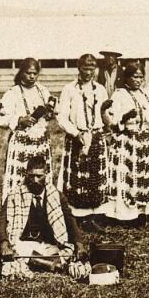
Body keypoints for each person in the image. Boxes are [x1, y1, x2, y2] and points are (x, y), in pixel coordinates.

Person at [0, 156, 88, 276]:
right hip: (25, 243)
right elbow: (1, 221)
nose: (35, 180)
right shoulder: (15, 195)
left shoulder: (56, 195)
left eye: (39, 176)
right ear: (26, 175)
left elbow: (70, 220)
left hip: (49, 244)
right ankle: (53, 265)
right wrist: (3, 243)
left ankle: (41, 262)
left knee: (66, 251)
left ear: (46, 174)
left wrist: (79, 244)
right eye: (31, 176)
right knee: (17, 248)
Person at [104, 61, 149, 222]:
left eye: (140, 77)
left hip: (144, 141)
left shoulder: (146, 93)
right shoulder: (120, 94)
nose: (138, 80)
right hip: (127, 141)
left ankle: (145, 211)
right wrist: (124, 118)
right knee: (129, 177)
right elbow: (112, 121)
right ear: (127, 77)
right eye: (134, 76)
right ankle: (128, 214)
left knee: (145, 176)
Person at [57, 54, 112, 229]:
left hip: (96, 137)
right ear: (78, 68)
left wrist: (107, 127)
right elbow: (62, 117)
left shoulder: (101, 89)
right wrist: (75, 133)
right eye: (85, 68)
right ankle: (77, 216)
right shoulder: (69, 89)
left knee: (95, 176)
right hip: (77, 138)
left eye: (91, 69)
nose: (88, 72)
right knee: (77, 178)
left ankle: (95, 215)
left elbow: (106, 115)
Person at [0, 58, 57, 203]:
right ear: (21, 72)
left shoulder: (42, 91)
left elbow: (51, 115)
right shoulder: (13, 92)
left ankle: (41, 210)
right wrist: (19, 120)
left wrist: (49, 114)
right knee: (21, 177)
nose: (31, 76)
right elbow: (1, 119)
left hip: (40, 143)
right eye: (28, 73)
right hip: (21, 143)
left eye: (35, 73)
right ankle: (15, 209)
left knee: (39, 176)